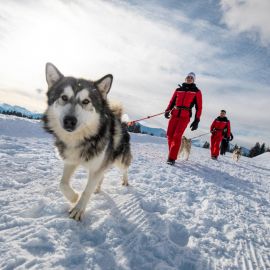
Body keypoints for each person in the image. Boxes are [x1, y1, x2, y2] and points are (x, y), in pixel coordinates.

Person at [164, 72, 202, 165]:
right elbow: (172, 101)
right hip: (174, 114)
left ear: (193, 80)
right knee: (170, 135)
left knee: (177, 136)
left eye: (191, 78)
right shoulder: (178, 89)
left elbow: (199, 107)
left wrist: (196, 120)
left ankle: (171, 158)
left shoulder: (196, 91)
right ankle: (172, 153)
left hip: (185, 116)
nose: (189, 78)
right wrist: (167, 110)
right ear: (185, 78)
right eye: (188, 77)